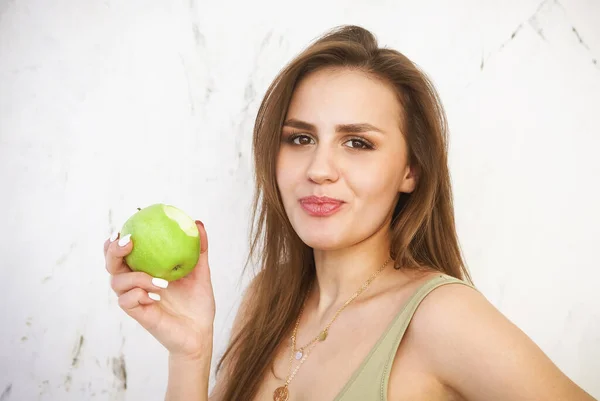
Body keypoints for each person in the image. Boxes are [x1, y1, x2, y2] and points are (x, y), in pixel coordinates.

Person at [103, 25, 595, 401]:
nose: (320, 169)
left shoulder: (441, 317)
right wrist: (190, 353)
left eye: (357, 142)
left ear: (411, 171)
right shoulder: (265, 302)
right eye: (300, 138)